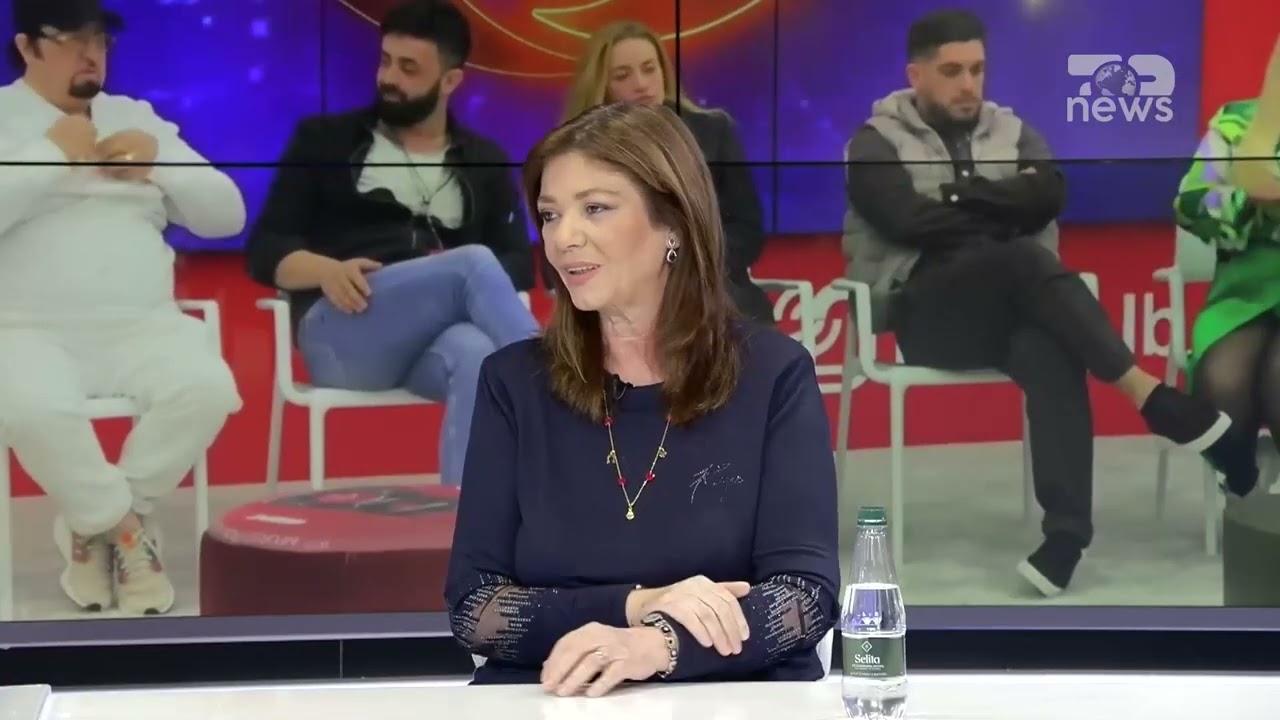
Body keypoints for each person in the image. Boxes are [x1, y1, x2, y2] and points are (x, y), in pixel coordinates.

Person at [443, 103, 838, 694]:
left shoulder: (773, 375)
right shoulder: (512, 382)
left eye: (595, 208)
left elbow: (802, 598)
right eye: (549, 215)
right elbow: (476, 608)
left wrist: (657, 644)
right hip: (555, 700)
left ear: (673, 223)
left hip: (726, 700)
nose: (563, 238)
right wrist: (638, 606)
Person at [841, 9, 1234, 596]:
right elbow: (908, 220)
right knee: (1024, 257)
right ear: (916, 75)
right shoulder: (875, 142)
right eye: (951, 71)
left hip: (1009, 310)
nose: (968, 84)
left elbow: (1050, 193)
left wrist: (963, 200)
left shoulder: (1014, 129)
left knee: (1050, 348)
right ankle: (1148, 394)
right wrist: (1004, 204)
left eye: (977, 69)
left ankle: (1066, 538)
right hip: (926, 313)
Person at [0, 0, 244, 615]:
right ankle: (128, 535)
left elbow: (227, 215)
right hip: (27, 330)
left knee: (207, 389)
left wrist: (161, 167)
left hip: (144, 325)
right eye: (73, 40)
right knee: (31, 407)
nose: (92, 54)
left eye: (101, 41)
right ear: (27, 47)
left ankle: (96, 526)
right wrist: (53, 156)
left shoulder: (134, 118)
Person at [245, 0, 540, 488]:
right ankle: (563, 404)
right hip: (342, 332)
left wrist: (443, 275)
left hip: (428, 342)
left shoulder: (483, 160)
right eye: (385, 61)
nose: (389, 78)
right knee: (472, 263)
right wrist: (325, 270)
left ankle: (464, 525)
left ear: (450, 80)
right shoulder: (324, 140)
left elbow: (519, 264)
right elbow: (265, 247)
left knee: (476, 355)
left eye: (409, 68)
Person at [558, 20, 774, 326]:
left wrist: (687, 265)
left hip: (711, 289)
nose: (641, 84)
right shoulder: (580, 150)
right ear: (601, 86)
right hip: (621, 294)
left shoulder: (713, 132)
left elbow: (747, 231)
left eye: (650, 69)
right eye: (623, 75)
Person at [1174, 36, 1280, 497]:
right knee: (1223, 383)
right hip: (1243, 294)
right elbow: (1192, 201)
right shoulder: (1236, 124)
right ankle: (1242, 489)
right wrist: (1252, 201)